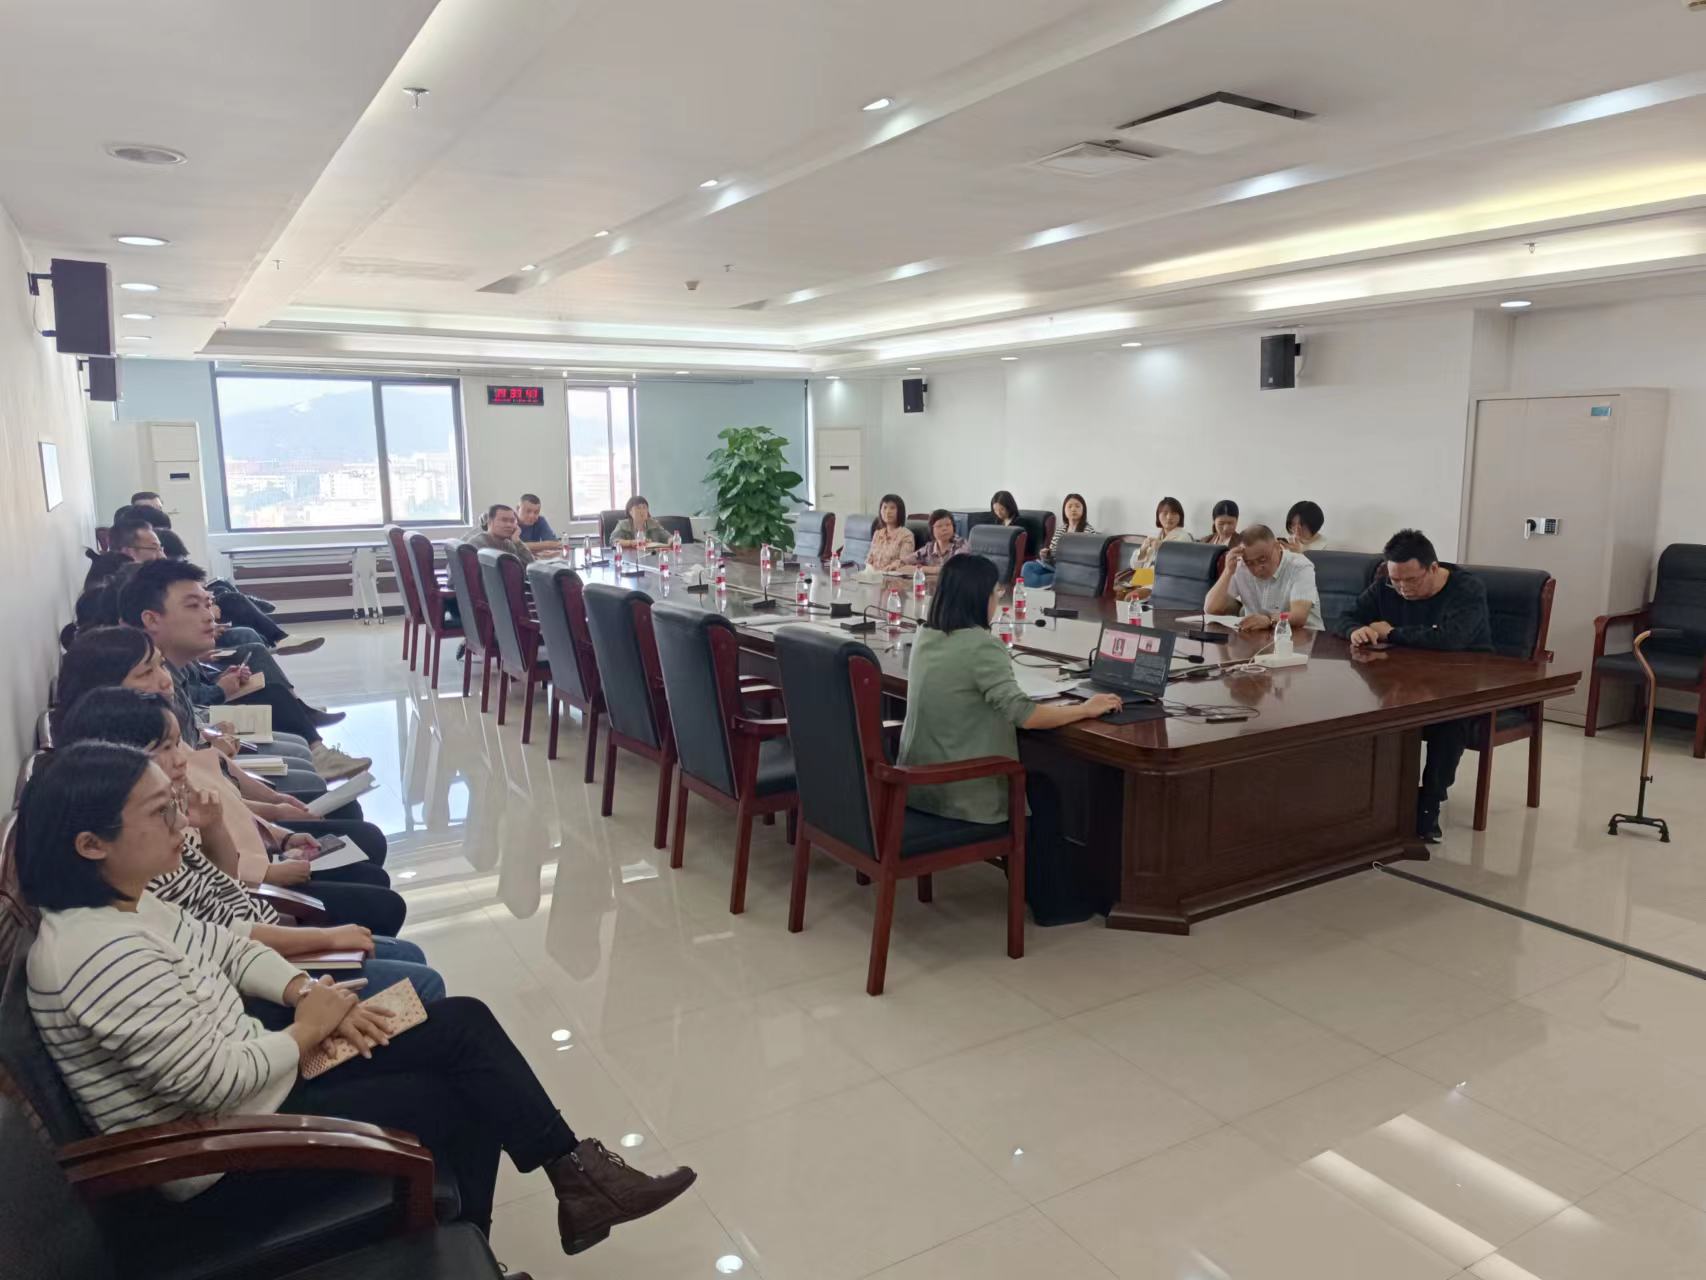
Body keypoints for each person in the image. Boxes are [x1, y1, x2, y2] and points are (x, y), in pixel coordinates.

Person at [17, 742, 697, 1255]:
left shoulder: (124, 904)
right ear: (90, 843)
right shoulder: (98, 956)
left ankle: (574, 1178)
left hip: (263, 1084)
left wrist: (307, 991)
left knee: (461, 1023)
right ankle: (477, 1244)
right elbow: (216, 1083)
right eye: (160, 812)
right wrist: (309, 1028)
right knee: (460, 1097)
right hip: (229, 1154)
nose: (180, 823)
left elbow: (228, 946)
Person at [54, 688, 440, 999]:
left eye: (178, 745)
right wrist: (320, 939)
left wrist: (214, 827)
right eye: (166, 749)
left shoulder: (161, 818)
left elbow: (224, 885)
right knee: (414, 967)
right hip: (259, 965)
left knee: (400, 942)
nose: (180, 760)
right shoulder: (140, 851)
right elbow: (226, 940)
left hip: (260, 931)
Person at [900, 555, 1121, 923]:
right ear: (979, 598)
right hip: (959, 793)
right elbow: (1027, 716)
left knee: (1039, 788)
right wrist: (1086, 708)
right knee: (1042, 792)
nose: (997, 600)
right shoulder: (981, 646)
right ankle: (1053, 905)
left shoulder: (926, 635)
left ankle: (1050, 893)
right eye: (995, 593)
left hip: (917, 784)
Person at [117, 559, 371, 782]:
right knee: (295, 744)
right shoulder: (150, 682)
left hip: (211, 749)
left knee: (293, 737)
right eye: (193, 606)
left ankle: (310, 731)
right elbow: (187, 772)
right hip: (208, 773)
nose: (209, 616)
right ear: (150, 619)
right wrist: (219, 694)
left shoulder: (168, 667)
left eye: (208, 604)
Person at [1335, 529, 1493, 842]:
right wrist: (1355, 630)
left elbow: (1451, 639)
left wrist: (1391, 633)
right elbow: (1345, 616)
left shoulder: (1467, 589)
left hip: (1462, 679)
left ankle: (1429, 803)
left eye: (1411, 580)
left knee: (1448, 719)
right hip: (1402, 674)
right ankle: (1370, 800)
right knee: (1359, 707)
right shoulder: (1386, 585)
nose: (1403, 588)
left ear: (1433, 568)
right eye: (1396, 580)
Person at [1204, 524, 1321, 631]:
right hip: (1260, 637)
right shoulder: (1240, 566)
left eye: (1262, 560)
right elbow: (1211, 609)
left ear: (1277, 546)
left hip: (1305, 637)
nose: (1257, 568)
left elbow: (1299, 616)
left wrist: (1270, 620)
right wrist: (1227, 572)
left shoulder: (1300, 566)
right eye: (1250, 563)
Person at [1021, 493, 1095, 588]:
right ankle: (1046, 585)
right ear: (1064, 510)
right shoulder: (1060, 530)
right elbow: (1052, 555)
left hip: (1073, 570)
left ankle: (1041, 586)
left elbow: (1089, 559)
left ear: (1083, 510)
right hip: (1055, 567)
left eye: (1077, 506)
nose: (1073, 509)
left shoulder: (1088, 531)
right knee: (1028, 566)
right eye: (1069, 506)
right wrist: (1046, 555)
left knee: (1035, 580)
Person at [1129, 497, 1194, 570]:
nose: (1169, 517)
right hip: (1144, 576)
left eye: (1174, 513)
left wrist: (1163, 549)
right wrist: (1142, 551)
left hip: (1163, 577)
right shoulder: (1153, 535)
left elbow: (1181, 567)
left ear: (1180, 516)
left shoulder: (1184, 538)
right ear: (1158, 516)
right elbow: (1134, 566)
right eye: (1165, 513)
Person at [465, 502, 537, 562]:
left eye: (512, 521)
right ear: (490, 522)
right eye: (504, 520)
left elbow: (531, 565)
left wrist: (517, 541)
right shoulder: (478, 544)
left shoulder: (508, 544)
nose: (509, 525)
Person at [865, 493, 915, 572]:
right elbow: (869, 559)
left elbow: (903, 563)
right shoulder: (878, 533)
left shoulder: (906, 536)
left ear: (900, 511)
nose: (888, 512)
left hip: (891, 577)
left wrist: (882, 572)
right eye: (884, 507)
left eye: (892, 508)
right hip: (873, 576)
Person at [911, 508, 966, 575]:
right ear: (932, 530)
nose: (944, 529)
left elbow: (954, 569)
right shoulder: (929, 547)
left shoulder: (961, 544)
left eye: (948, 525)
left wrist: (922, 569)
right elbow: (904, 562)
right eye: (939, 526)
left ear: (953, 527)